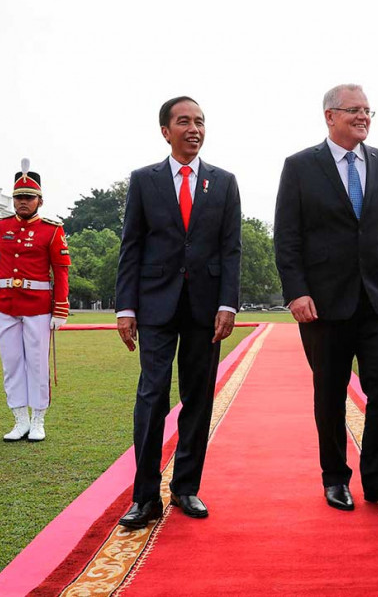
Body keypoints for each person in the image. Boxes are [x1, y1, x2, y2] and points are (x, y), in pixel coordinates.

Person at [274, 83, 378, 512]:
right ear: (329, 116)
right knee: (330, 395)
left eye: (368, 110)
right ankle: (335, 477)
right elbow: (287, 237)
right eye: (354, 110)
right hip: (323, 304)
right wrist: (296, 292)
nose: (363, 117)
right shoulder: (300, 166)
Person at [114, 96, 242, 529]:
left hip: (207, 309)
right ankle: (145, 496)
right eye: (184, 122)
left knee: (198, 398)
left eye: (200, 122)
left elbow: (231, 249)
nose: (194, 129)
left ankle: (186, 488)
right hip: (154, 304)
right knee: (152, 396)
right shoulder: (144, 180)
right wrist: (125, 307)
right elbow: (131, 246)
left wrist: (228, 304)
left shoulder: (223, 182)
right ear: (165, 131)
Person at [0, 160, 70, 443]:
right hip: (6, 304)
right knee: (12, 363)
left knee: (36, 364)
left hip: (38, 306)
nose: (22, 202)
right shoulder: (0, 226)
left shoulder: (52, 230)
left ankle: (38, 419)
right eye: (18, 197)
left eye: (28, 198)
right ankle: (19, 420)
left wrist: (61, 308)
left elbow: (61, 271)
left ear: (40, 201)